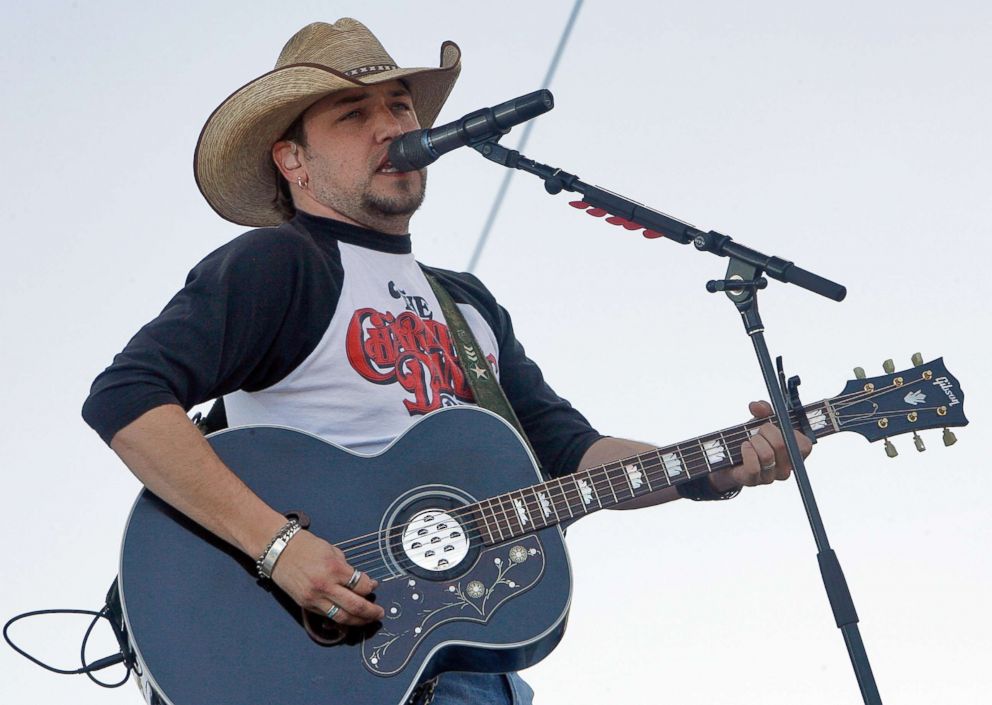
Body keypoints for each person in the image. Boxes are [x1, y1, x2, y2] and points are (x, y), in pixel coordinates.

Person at [82, 18, 811, 705]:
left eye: (400, 106)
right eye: (353, 114)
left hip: (469, 660)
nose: (392, 126)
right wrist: (280, 547)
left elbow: (571, 454)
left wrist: (714, 468)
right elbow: (127, 400)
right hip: (320, 656)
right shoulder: (286, 265)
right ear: (292, 159)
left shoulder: (466, 305)